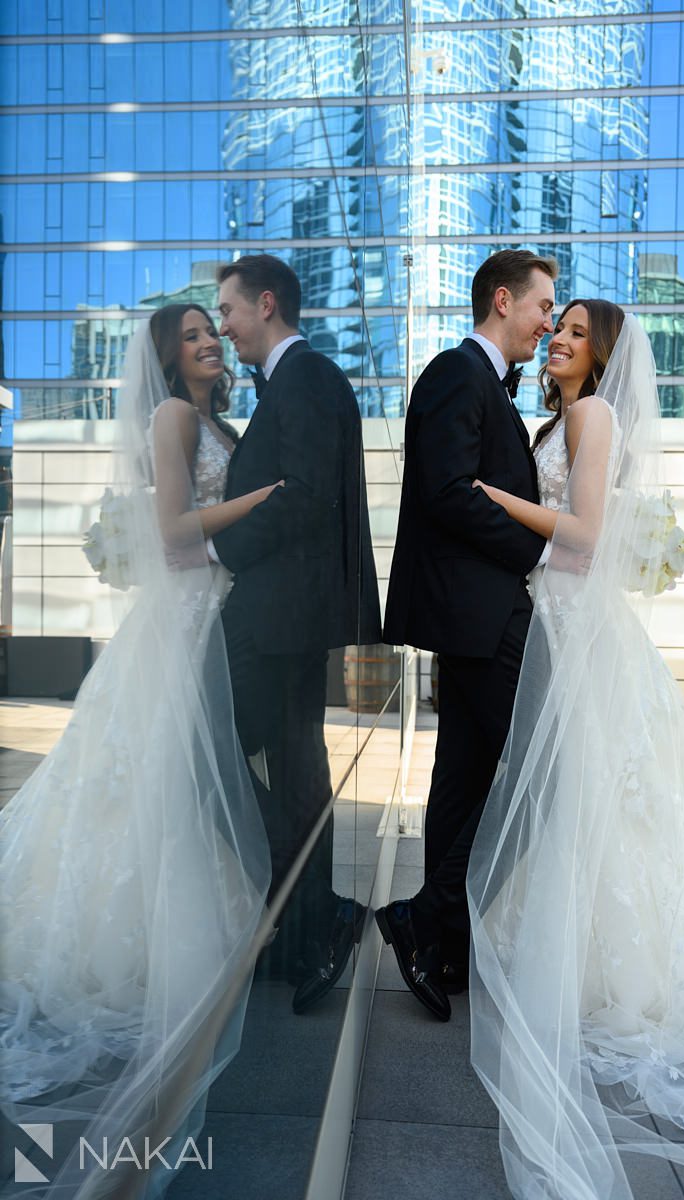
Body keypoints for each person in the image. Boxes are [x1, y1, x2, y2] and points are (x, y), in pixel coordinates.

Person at [467, 301, 684, 1200]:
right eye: (556, 327)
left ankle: (616, 960)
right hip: (564, 620)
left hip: (578, 625)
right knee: (594, 791)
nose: (560, 340)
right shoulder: (564, 418)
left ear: (603, 352)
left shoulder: (590, 414)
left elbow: (588, 532)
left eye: (576, 331)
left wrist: (499, 499)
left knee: (606, 788)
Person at [0, 304, 281, 1195]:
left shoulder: (216, 423)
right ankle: (134, 948)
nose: (209, 343)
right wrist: (267, 500)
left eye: (213, 332)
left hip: (211, 613)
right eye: (193, 335)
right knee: (156, 777)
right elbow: (171, 529)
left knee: (174, 784)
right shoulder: (172, 418)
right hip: (185, 613)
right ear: (168, 356)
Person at [377, 249, 558, 1020]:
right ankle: (428, 912)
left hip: (474, 613)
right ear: (502, 299)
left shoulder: (486, 386)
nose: (548, 322)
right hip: (480, 611)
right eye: (543, 306)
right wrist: (539, 549)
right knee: (539, 774)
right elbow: (445, 490)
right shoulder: (458, 373)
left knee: (464, 776)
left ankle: (445, 941)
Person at [214, 254, 381, 1014]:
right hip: (285, 615)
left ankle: (309, 924)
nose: (225, 325)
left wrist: (223, 547)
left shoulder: (307, 379)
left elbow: (306, 496)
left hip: (282, 616)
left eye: (229, 309)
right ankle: (306, 915)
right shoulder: (299, 381)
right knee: (284, 764)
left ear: (268, 303)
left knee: (268, 762)